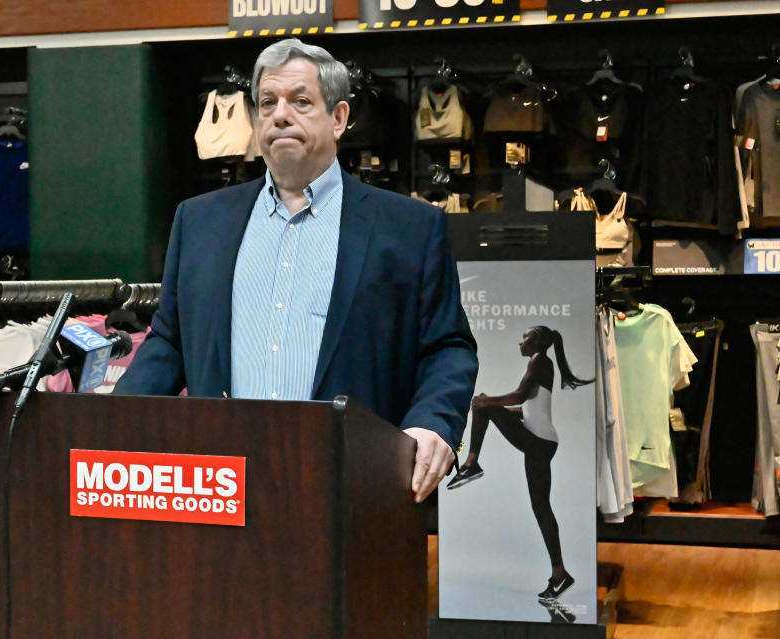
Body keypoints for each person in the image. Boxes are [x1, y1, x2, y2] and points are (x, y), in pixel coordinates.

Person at [114, 38, 478, 502]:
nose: (280, 114)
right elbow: (171, 340)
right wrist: (113, 422)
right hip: (219, 488)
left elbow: (447, 347)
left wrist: (433, 424)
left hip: (354, 485)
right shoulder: (200, 221)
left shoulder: (409, 227)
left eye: (300, 102)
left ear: (340, 118)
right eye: (267, 103)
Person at [448, 325, 592, 600]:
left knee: (484, 405)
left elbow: (519, 396)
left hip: (538, 442)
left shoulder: (540, 362)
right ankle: (560, 574)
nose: (519, 343)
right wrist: (491, 405)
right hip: (540, 439)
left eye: (523, 338)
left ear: (534, 341)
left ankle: (471, 463)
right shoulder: (541, 363)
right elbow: (526, 406)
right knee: (542, 508)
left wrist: (488, 402)